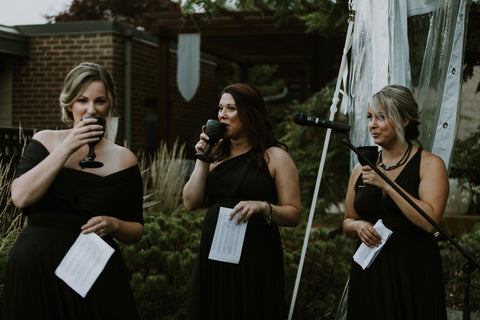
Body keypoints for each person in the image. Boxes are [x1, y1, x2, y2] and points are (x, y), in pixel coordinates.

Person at [4, 62, 144, 319]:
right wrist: (67, 146)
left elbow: (136, 229)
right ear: (70, 105)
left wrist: (113, 224)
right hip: (37, 267)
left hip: (90, 271)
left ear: (109, 105)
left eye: (100, 101)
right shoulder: (45, 141)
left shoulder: (124, 159)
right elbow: (21, 197)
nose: (92, 109)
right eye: (82, 100)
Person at [183, 83, 302, 319]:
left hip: (255, 258)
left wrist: (263, 207)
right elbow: (190, 202)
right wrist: (203, 158)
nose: (222, 115)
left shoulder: (275, 157)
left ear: (249, 113)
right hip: (216, 253)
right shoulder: (215, 156)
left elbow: (294, 213)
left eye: (231, 108)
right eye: (220, 108)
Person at [343, 84, 449, 319]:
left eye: (381, 117)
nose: (372, 124)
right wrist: (358, 226)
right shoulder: (361, 168)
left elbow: (430, 221)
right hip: (370, 269)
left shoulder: (430, 164)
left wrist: (387, 185)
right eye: (370, 117)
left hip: (412, 270)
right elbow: (348, 220)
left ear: (404, 120)